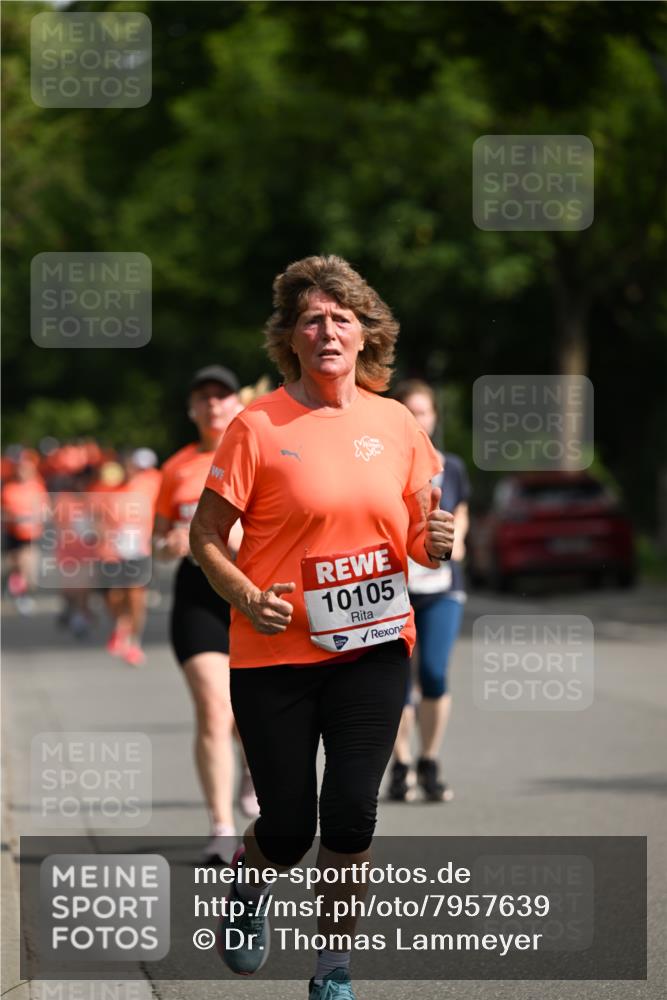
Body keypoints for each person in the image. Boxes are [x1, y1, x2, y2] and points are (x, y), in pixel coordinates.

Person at [190, 255, 455, 1000]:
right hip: (273, 652)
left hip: (373, 645)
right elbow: (205, 536)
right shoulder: (257, 425)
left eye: (342, 317)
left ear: (366, 334)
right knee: (287, 828)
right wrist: (244, 595)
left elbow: (413, 534)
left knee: (349, 814)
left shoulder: (397, 423)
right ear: (291, 339)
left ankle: (332, 968)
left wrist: (431, 542)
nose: (327, 329)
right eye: (312, 318)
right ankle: (250, 878)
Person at [153, 366, 259, 863]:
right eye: (203, 398)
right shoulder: (175, 467)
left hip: (250, 593)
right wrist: (170, 543)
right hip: (197, 594)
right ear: (192, 409)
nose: (213, 405)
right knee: (215, 709)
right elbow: (156, 538)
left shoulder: (260, 451)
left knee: (248, 712)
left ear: (238, 402)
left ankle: (250, 770)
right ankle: (220, 826)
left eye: (222, 396)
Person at [387, 380, 470, 803]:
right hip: (392, 587)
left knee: (434, 672)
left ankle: (429, 760)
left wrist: (455, 542)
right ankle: (401, 764)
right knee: (398, 681)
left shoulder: (450, 466)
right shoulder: (379, 463)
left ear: (434, 417)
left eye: (423, 411)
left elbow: (461, 514)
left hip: (440, 587)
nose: (417, 419)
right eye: (408, 411)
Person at [104, 448, 163, 666]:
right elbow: (101, 521)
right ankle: (121, 623)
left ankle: (134, 642)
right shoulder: (109, 491)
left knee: (136, 596)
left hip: (139, 549)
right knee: (114, 596)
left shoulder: (148, 486)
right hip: (114, 550)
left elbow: (162, 509)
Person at [1, 450, 47, 615]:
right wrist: (12, 518)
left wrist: (35, 517)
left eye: (26, 469)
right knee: (12, 565)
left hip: (31, 534)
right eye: (20, 469)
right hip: (12, 533)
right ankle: (14, 589)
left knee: (27, 567)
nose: (23, 472)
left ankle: (23, 593)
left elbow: (45, 510)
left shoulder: (37, 487)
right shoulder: (8, 488)